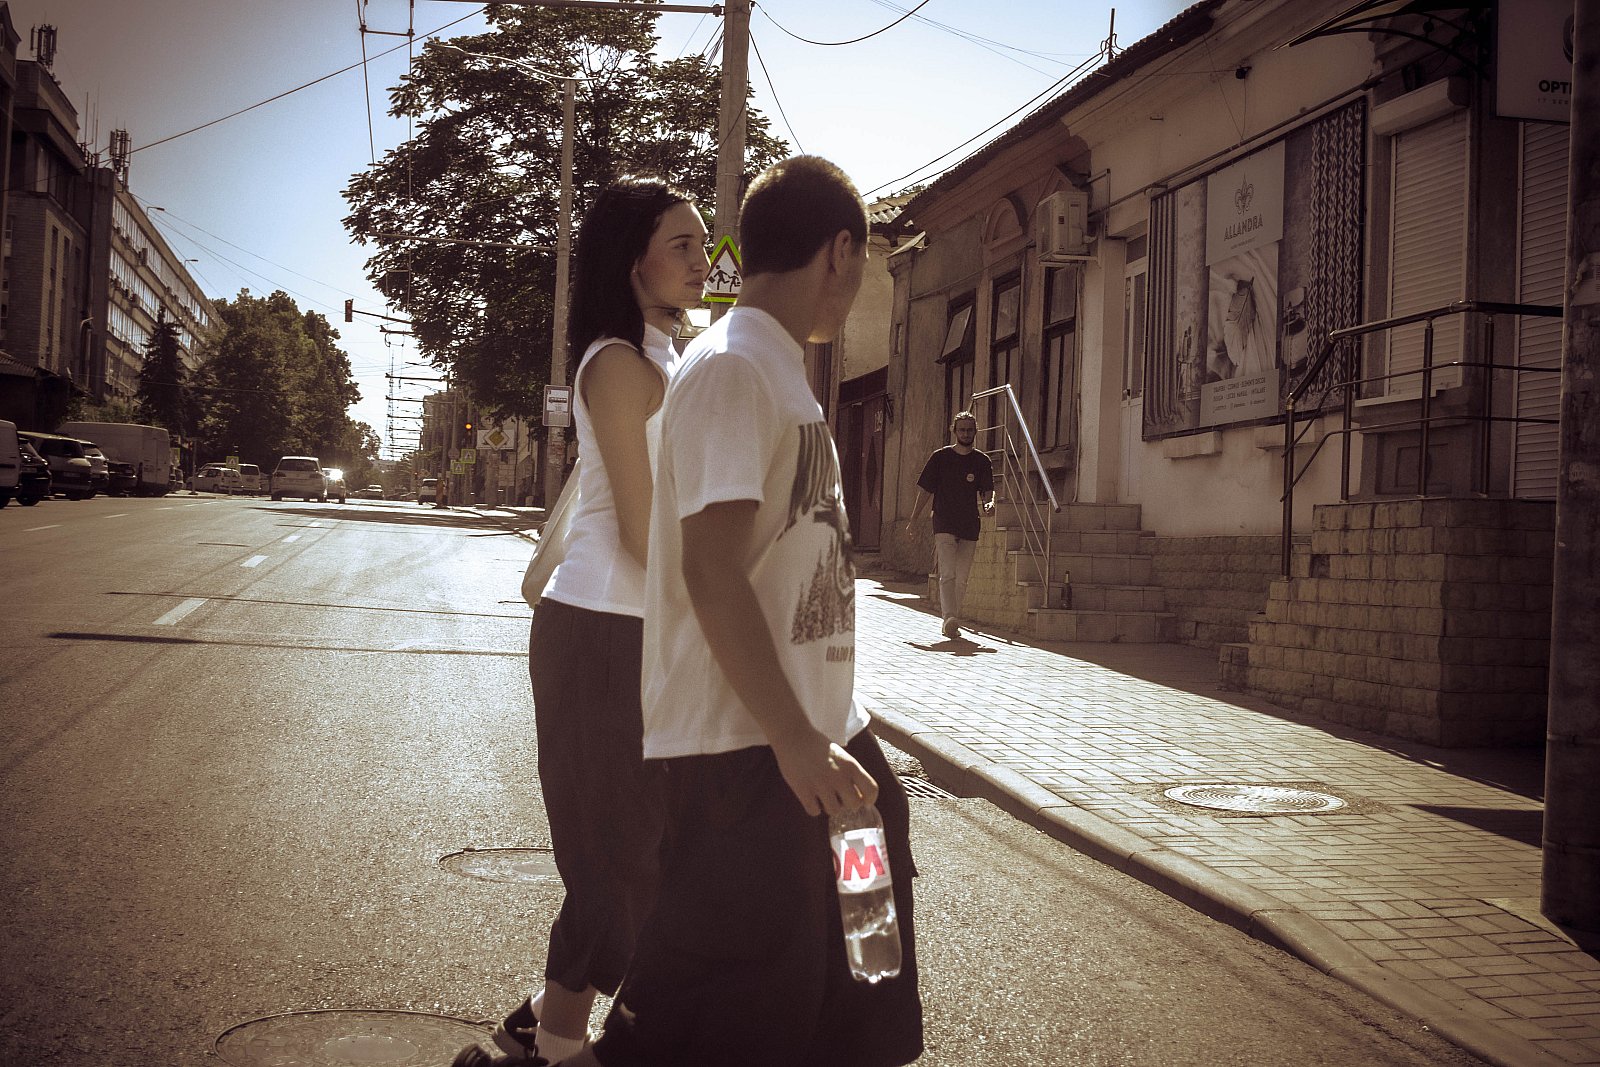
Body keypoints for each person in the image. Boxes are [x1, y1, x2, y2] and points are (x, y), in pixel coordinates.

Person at [560, 156, 924, 1067]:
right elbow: (712, 569)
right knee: (715, 1025)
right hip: (749, 761)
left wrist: (830, 730)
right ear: (840, 251)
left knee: (864, 984)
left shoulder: (777, 369)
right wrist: (795, 738)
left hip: (827, 750)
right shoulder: (731, 369)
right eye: (863, 261)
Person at [453, 176, 710, 1067]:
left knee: (642, 856)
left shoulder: (670, 359)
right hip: (601, 630)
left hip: (643, 633)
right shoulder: (617, 365)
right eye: (682, 243)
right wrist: (723, 620)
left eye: (704, 241)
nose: (702, 259)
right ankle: (558, 1043)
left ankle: (539, 1023)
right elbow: (642, 532)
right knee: (618, 863)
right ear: (632, 258)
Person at [906, 410, 995, 639]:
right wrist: (913, 520)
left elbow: (988, 491)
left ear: (975, 432)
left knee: (962, 577)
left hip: (969, 524)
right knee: (947, 573)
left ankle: (952, 617)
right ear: (954, 431)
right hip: (944, 521)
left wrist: (989, 504)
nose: (965, 434)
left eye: (969, 430)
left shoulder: (982, 461)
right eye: (962, 430)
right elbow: (925, 491)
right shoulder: (940, 457)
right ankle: (949, 618)